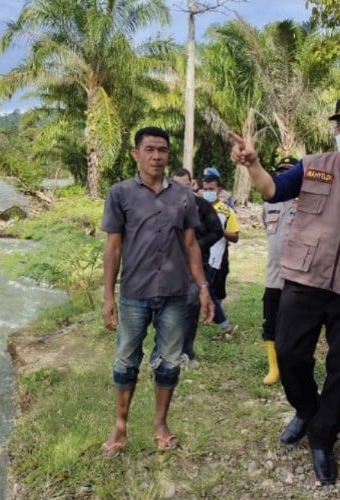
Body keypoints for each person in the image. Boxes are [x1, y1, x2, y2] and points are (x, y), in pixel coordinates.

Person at [230, 96, 340, 485]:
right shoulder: (313, 167)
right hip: (305, 280)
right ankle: (307, 409)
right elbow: (272, 190)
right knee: (290, 354)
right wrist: (252, 164)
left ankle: (324, 438)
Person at [100, 127, 214, 457]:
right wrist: (109, 295)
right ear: (136, 154)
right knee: (125, 361)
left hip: (177, 294)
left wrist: (203, 288)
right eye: (149, 149)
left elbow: (191, 245)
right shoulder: (120, 193)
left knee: (169, 363)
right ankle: (120, 427)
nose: (156, 156)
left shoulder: (183, 197)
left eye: (162, 150)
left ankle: (161, 424)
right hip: (134, 292)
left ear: (168, 155)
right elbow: (113, 247)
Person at [171, 167, 224, 368]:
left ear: (192, 185)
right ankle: (165, 353)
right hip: (167, 268)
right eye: (176, 186)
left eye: (185, 186)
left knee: (190, 308)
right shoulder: (161, 204)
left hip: (194, 266)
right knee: (166, 310)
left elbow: (217, 231)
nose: (180, 190)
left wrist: (196, 246)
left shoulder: (201, 206)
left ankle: (187, 352)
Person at [261, 156, 298, 385]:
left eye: (289, 172)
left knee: (296, 324)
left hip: (298, 276)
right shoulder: (269, 203)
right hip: (273, 275)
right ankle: (274, 368)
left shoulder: (306, 202)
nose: (284, 176)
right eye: (281, 172)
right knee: (271, 322)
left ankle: (293, 366)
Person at [202, 173, 240, 340]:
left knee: (208, 290)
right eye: (205, 189)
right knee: (204, 290)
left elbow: (235, 236)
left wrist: (218, 230)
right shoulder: (198, 207)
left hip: (214, 259)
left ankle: (224, 324)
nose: (207, 192)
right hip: (197, 255)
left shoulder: (226, 211)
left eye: (211, 189)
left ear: (219, 190)